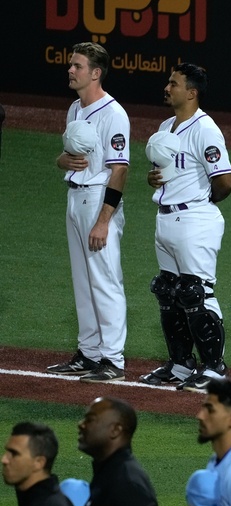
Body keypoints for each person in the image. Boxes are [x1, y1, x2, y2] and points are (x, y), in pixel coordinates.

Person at [141, 62, 231, 392]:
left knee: (197, 292)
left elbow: (224, 181)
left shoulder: (206, 130)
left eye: (174, 83)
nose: (167, 88)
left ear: (192, 93)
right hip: (165, 218)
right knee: (168, 290)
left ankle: (214, 367)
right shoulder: (166, 126)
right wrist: (155, 179)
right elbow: (166, 172)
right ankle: (181, 364)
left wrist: (200, 201)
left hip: (195, 220)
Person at [48, 42, 129, 383]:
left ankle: (113, 359)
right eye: (71, 64)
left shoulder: (114, 114)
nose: (71, 70)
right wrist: (61, 161)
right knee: (83, 280)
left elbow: (119, 169)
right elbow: (67, 157)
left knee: (105, 280)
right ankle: (89, 352)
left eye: (77, 65)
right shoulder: (75, 109)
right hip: (75, 198)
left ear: (95, 73)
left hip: (99, 200)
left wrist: (103, 220)